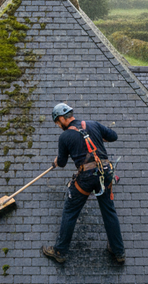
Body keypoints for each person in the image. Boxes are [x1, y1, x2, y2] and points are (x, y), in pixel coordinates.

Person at [42, 103, 125, 264]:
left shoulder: (65, 137)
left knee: (70, 211)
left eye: (58, 124)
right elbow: (113, 136)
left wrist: (56, 161)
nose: (59, 127)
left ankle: (60, 251)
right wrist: (99, 136)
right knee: (109, 212)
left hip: (86, 177)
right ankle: (118, 251)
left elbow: (63, 162)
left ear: (61, 119)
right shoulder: (93, 124)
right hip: (104, 173)